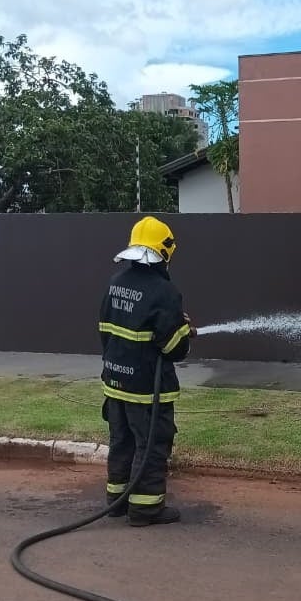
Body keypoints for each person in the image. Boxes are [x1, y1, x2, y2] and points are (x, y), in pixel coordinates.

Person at [98, 216, 196, 526]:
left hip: (114, 382)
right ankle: (145, 509)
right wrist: (182, 331)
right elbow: (174, 348)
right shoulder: (164, 292)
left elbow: (106, 330)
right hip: (145, 387)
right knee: (152, 445)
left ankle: (116, 501)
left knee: (122, 441)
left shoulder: (115, 283)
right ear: (164, 252)